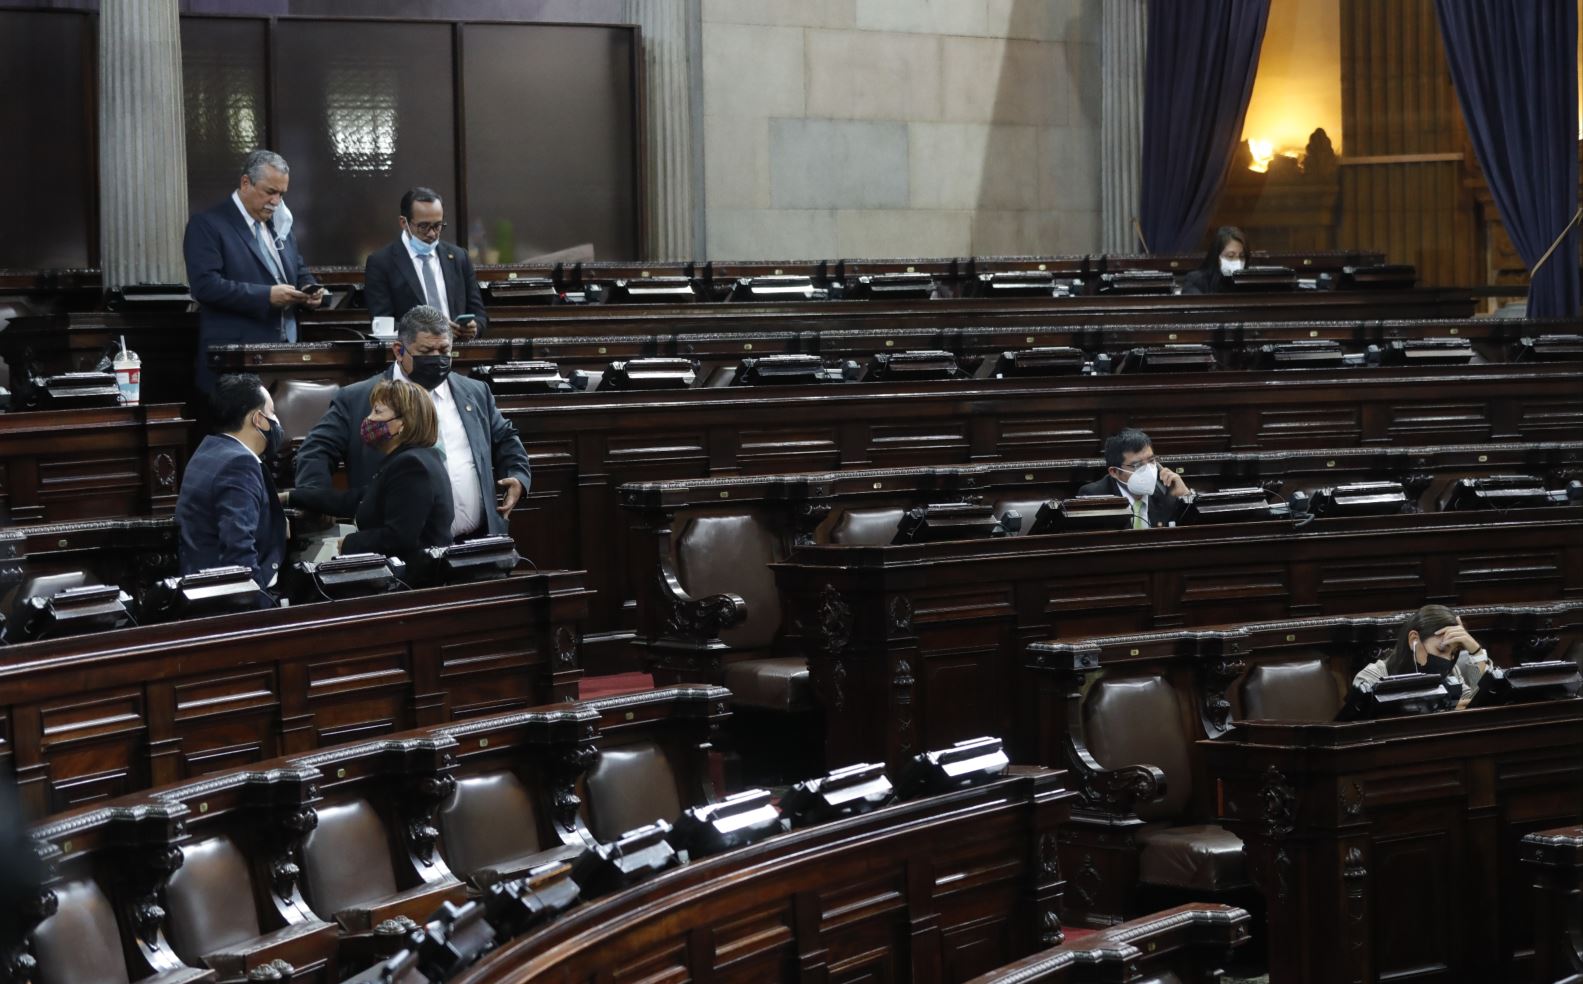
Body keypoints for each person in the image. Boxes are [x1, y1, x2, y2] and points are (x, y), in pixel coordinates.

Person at [294, 305, 530, 540]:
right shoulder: (358, 399)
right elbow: (316, 450)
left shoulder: (475, 391)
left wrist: (517, 475)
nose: (437, 359)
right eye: (427, 351)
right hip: (401, 549)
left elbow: (505, 437)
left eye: (444, 350)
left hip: (477, 541)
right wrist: (316, 499)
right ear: (399, 350)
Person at [184, 150, 324, 390]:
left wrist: (311, 292)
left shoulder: (280, 226)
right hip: (235, 365)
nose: (276, 201)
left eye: (281, 194)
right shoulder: (208, 224)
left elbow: (299, 271)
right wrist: (267, 296)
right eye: (270, 192)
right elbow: (205, 286)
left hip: (286, 358)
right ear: (246, 183)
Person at [285, 379, 454, 559]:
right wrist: (290, 497)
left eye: (377, 411)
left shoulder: (411, 466)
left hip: (415, 581)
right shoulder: (413, 458)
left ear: (403, 424)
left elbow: (399, 538)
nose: (369, 419)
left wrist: (348, 543)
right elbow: (354, 500)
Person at [175, 373, 288, 589]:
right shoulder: (240, 464)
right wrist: (261, 610)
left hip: (199, 587)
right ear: (258, 419)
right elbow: (239, 554)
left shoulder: (207, 450)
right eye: (272, 412)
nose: (276, 421)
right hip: (228, 603)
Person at [363, 187, 487, 341]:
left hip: (458, 352)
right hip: (413, 356)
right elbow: (383, 324)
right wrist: (432, 331)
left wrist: (474, 327)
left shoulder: (459, 257)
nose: (432, 234)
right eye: (423, 226)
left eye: (438, 225)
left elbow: (480, 315)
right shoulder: (381, 263)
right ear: (404, 223)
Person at [1352, 604, 1492, 709]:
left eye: (1453, 653)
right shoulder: (1372, 677)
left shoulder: (1452, 672)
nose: (1448, 660)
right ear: (1414, 639)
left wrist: (1477, 652)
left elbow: (1479, 702)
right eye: (1442, 649)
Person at [1077, 428, 1193, 529]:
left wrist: (1186, 497)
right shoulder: (1094, 495)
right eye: (1137, 465)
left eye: (1151, 460)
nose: (1147, 470)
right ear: (1114, 472)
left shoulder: (1166, 490)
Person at [1179, 226, 1247, 295]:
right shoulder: (1195, 280)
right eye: (1230, 256)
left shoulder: (1248, 282)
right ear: (1216, 256)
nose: (1237, 261)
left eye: (1241, 256)